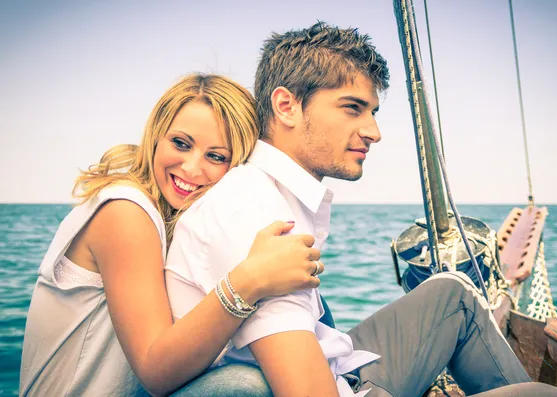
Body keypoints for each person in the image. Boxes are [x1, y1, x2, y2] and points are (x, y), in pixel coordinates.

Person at [165, 22, 557, 397]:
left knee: (453, 294)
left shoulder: (269, 193)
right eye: (352, 108)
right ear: (286, 106)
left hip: (335, 368)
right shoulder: (254, 213)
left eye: (373, 111)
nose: (373, 132)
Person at [19, 73, 326, 397]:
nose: (192, 168)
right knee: (247, 386)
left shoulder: (174, 220)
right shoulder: (126, 211)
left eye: (216, 156)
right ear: (156, 135)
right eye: (180, 143)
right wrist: (250, 280)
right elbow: (155, 370)